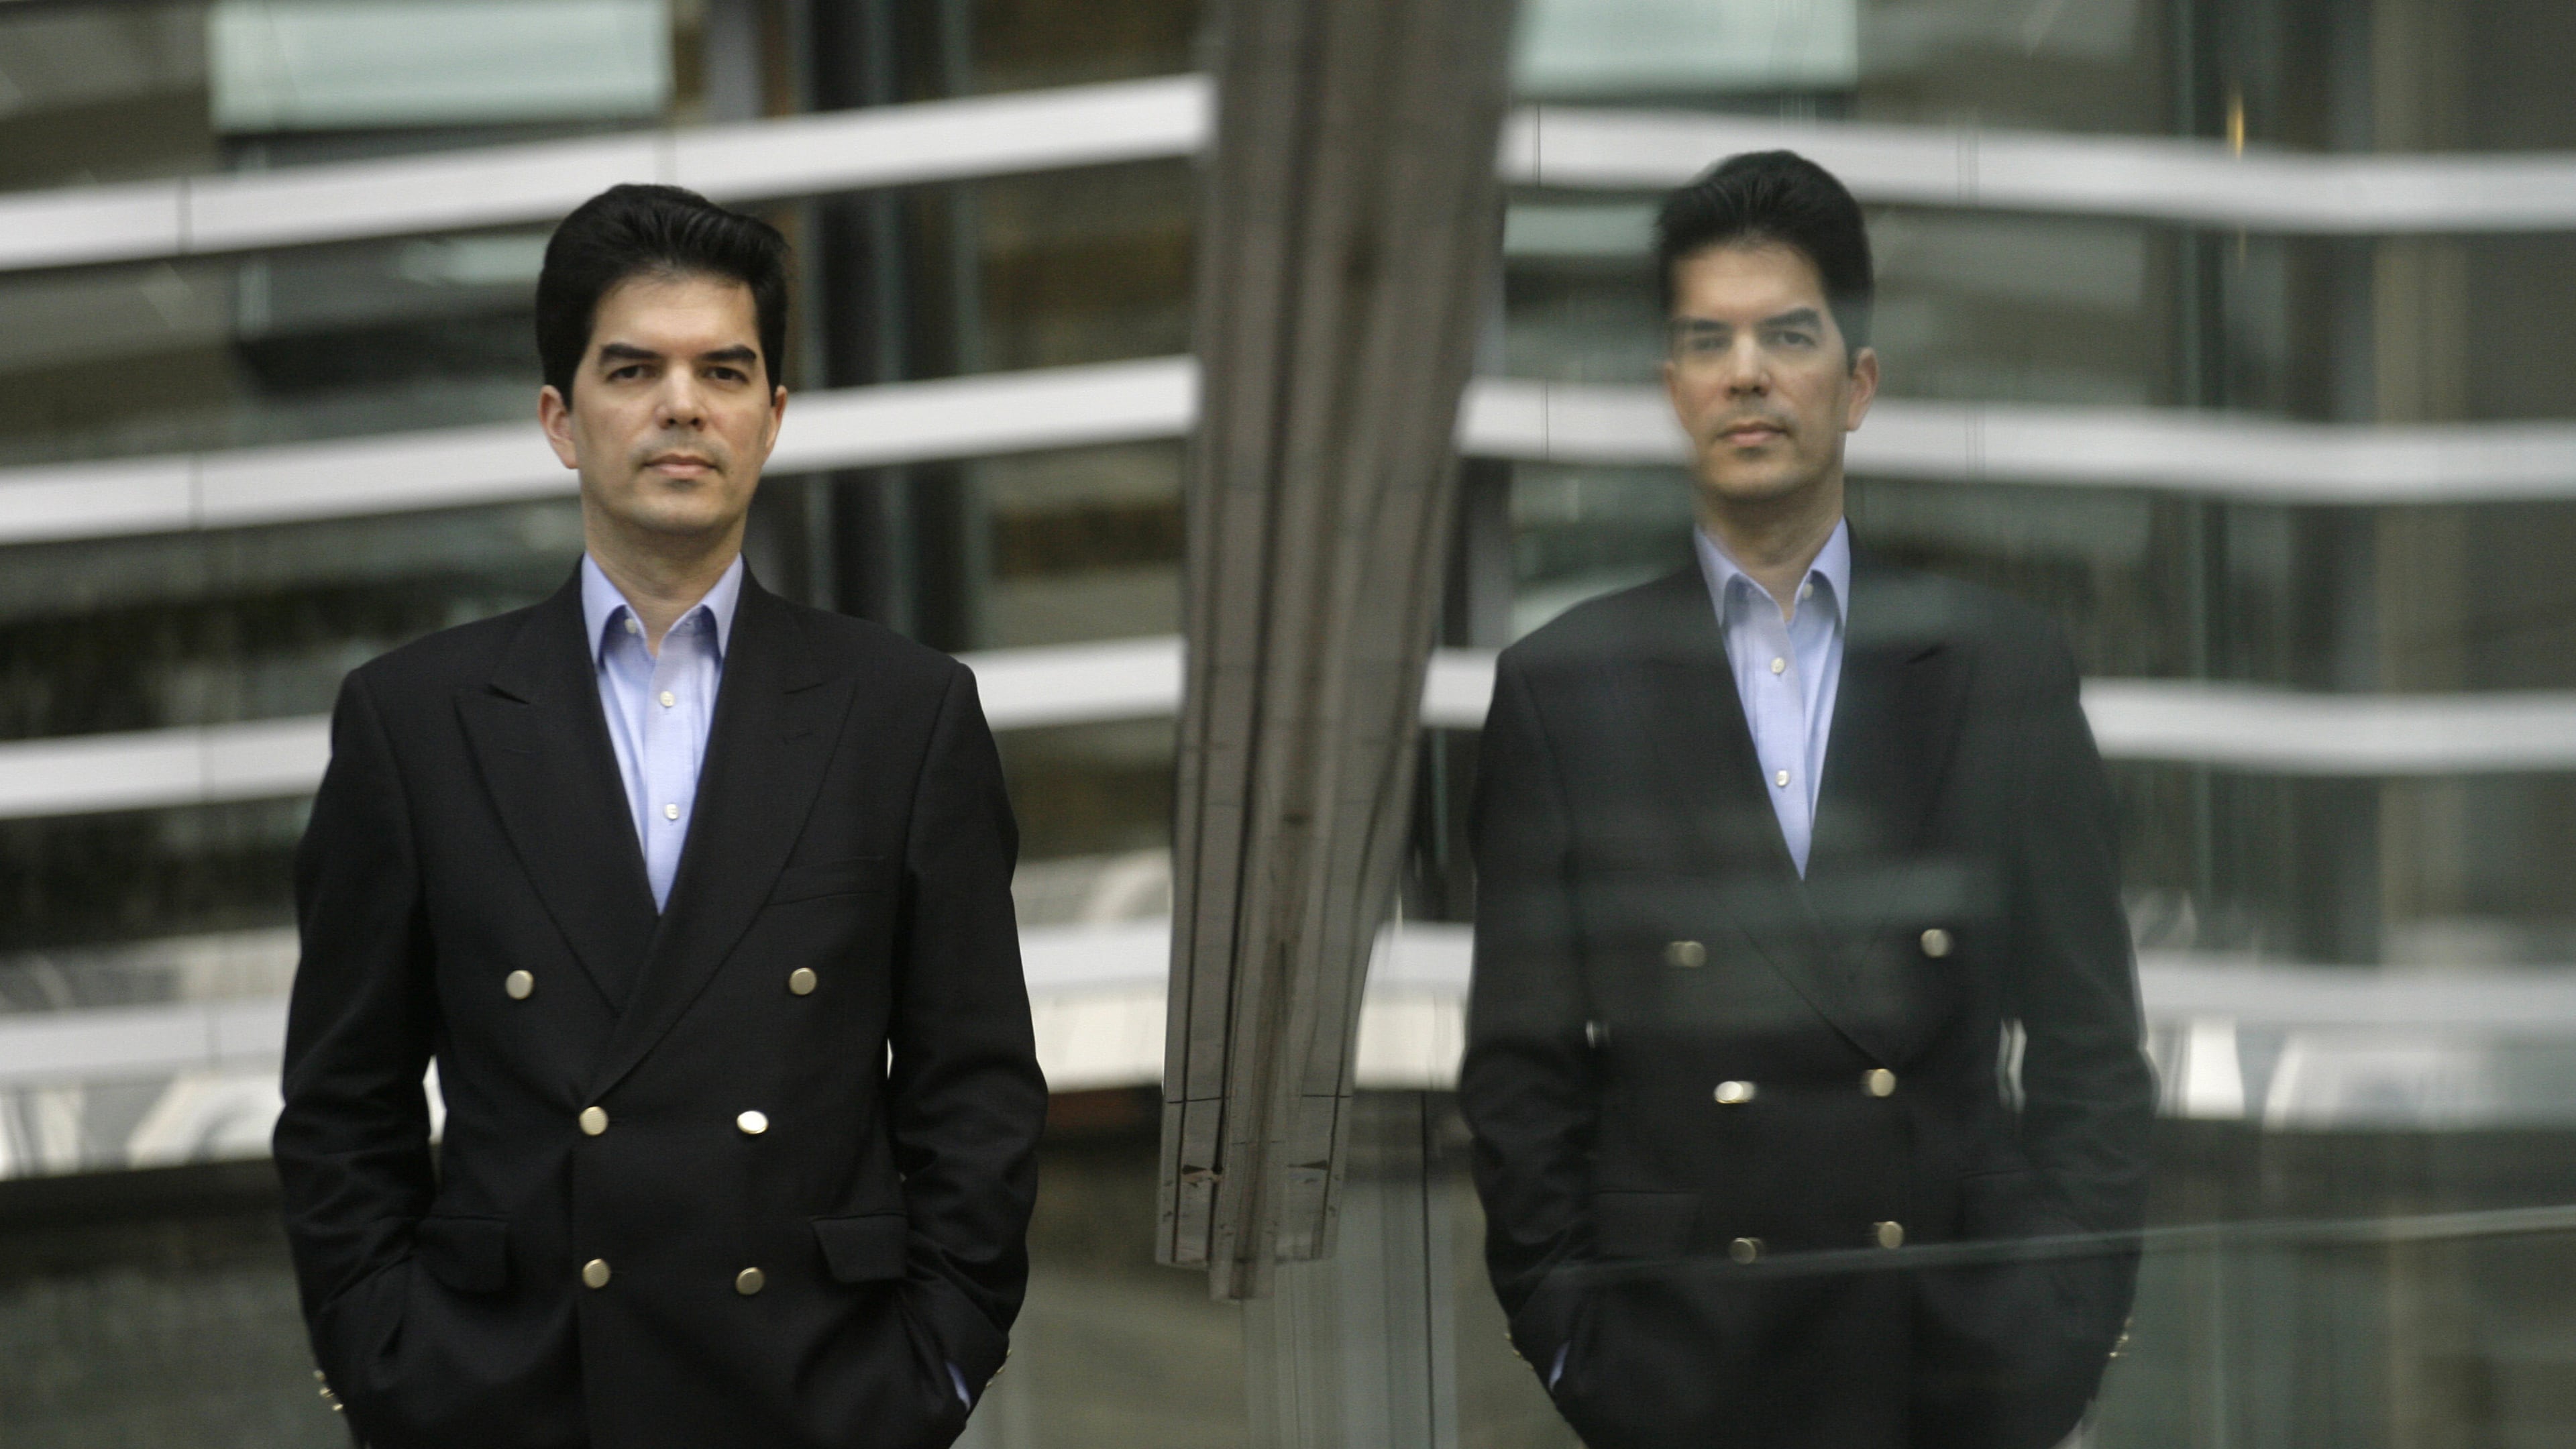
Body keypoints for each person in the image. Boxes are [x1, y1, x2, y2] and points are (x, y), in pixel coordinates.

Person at [273, 184, 1046, 1449]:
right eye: (633, 368)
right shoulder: (415, 723)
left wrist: (937, 1368)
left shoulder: (904, 713)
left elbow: (976, 1092)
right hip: (509, 1400)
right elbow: (341, 1104)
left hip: (817, 1396)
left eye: (724, 371)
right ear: (561, 419)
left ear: (773, 416)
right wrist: (385, 1365)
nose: (682, 404)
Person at [1459, 151, 2155, 1449]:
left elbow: (2090, 1056)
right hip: (1692, 1383)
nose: (1748, 372)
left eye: (1789, 333)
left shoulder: (2001, 668)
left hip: (1953, 1377)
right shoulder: (1564, 691)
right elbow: (1524, 1083)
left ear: (1860, 381)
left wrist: (2059, 1336)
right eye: (1707, 340)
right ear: (1672, 386)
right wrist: (1585, 1355)